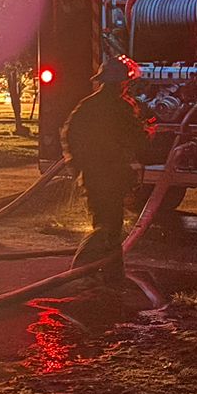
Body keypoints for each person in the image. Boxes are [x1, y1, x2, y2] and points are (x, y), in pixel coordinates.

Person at [63, 56, 151, 280]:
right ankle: (83, 269)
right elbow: (136, 140)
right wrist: (149, 134)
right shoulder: (121, 108)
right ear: (121, 82)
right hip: (113, 177)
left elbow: (70, 134)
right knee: (109, 226)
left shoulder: (87, 105)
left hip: (93, 176)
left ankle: (111, 272)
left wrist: (79, 165)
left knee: (106, 223)